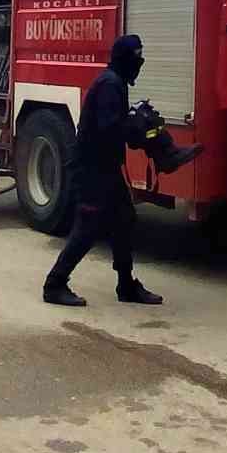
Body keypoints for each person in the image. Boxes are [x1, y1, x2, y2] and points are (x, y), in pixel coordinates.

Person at [42, 34, 163, 309]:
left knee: (124, 219)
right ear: (124, 59)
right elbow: (109, 128)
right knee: (87, 228)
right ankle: (54, 284)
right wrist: (137, 127)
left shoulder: (116, 81)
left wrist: (136, 126)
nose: (139, 64)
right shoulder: (110, 84)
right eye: (136, 59)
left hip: (104, 167)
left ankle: (125, 284)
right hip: (92, 169)